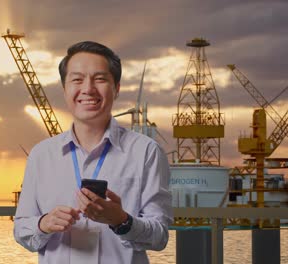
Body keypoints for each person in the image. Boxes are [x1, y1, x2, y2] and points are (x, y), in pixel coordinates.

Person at [13, 41, 173, 264]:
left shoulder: (146, 152)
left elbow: (160, 236)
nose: (88, 89)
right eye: (77, 79)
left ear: (116, 88)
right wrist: (43, 224)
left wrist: (122, 221)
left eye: (100, 79)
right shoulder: (41, 155)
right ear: (64, 89)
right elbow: (21, 230)